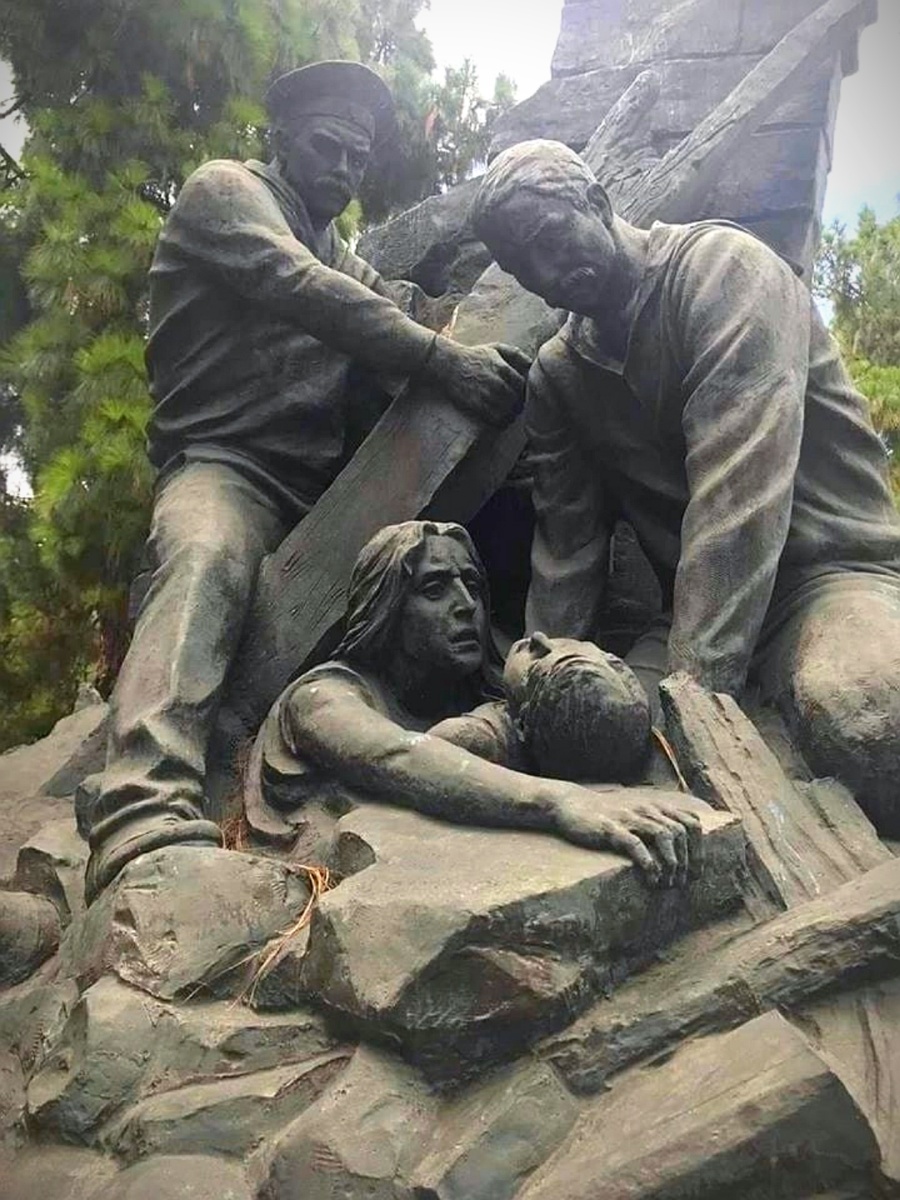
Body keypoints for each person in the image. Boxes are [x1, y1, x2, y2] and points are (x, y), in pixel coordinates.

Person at [84, 61, 529, 903]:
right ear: (281, 138)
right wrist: (444, 360)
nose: (344, 169)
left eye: (358, 158)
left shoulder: (340, 253)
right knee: (207, 558)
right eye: (328, 147)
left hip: (322, 496)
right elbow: (306, 290)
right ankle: (140, 807)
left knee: (442, 576)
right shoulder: (225, 194)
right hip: (229, 469)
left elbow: (395, 307)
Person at [470, 139, 900, 834]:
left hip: (823, 582)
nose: (546, 276)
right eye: (523, 267)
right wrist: (536, 686)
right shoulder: (559, 376)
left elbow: (740, 502)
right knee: (585, 734)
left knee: (869, 713)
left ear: (598, 203)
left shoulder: (726, 272)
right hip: (686, 621)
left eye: (550, 240)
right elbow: (568, 553)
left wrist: (692, 711)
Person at [257, 520, 704, 886]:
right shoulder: (320, 699)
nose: (467, 604)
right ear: (385, 609)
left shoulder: (497, 698)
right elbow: (398, 756)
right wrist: (562, 803)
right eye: (435, 588)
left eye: (471, 583)